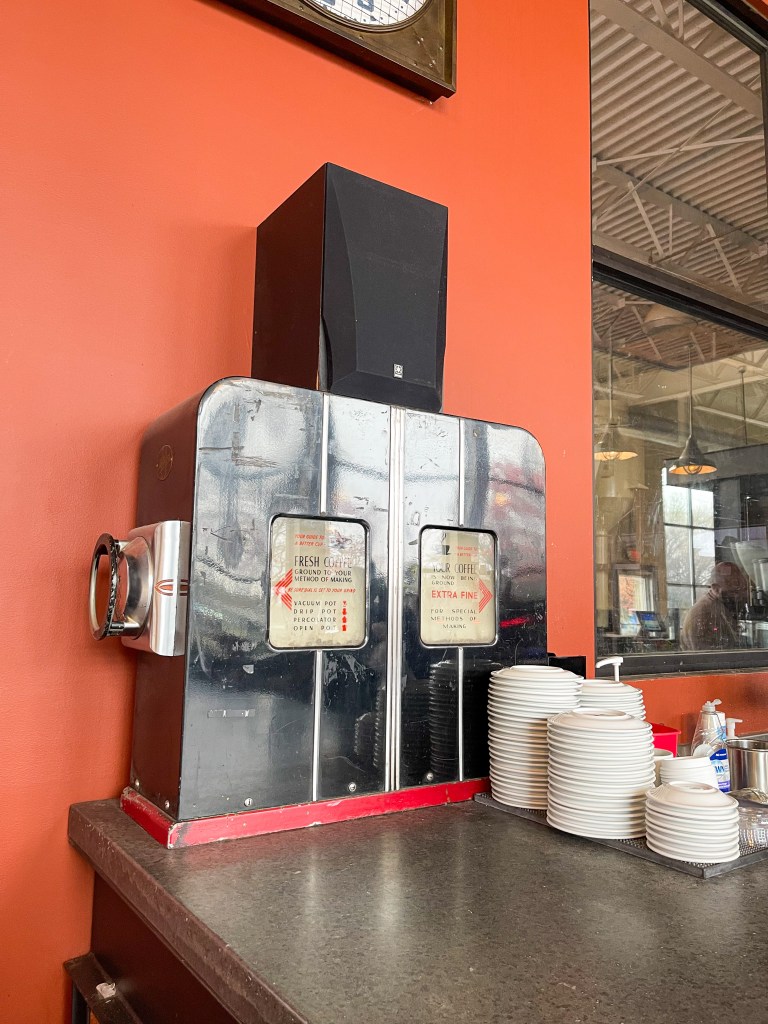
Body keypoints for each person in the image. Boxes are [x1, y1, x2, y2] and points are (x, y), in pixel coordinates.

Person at [680, 561, 750, 651]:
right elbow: (705, 658)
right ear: (716, 588)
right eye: (734, 591)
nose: (740, 596)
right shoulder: (703, 614)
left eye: (742, 589)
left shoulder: (720, 606)